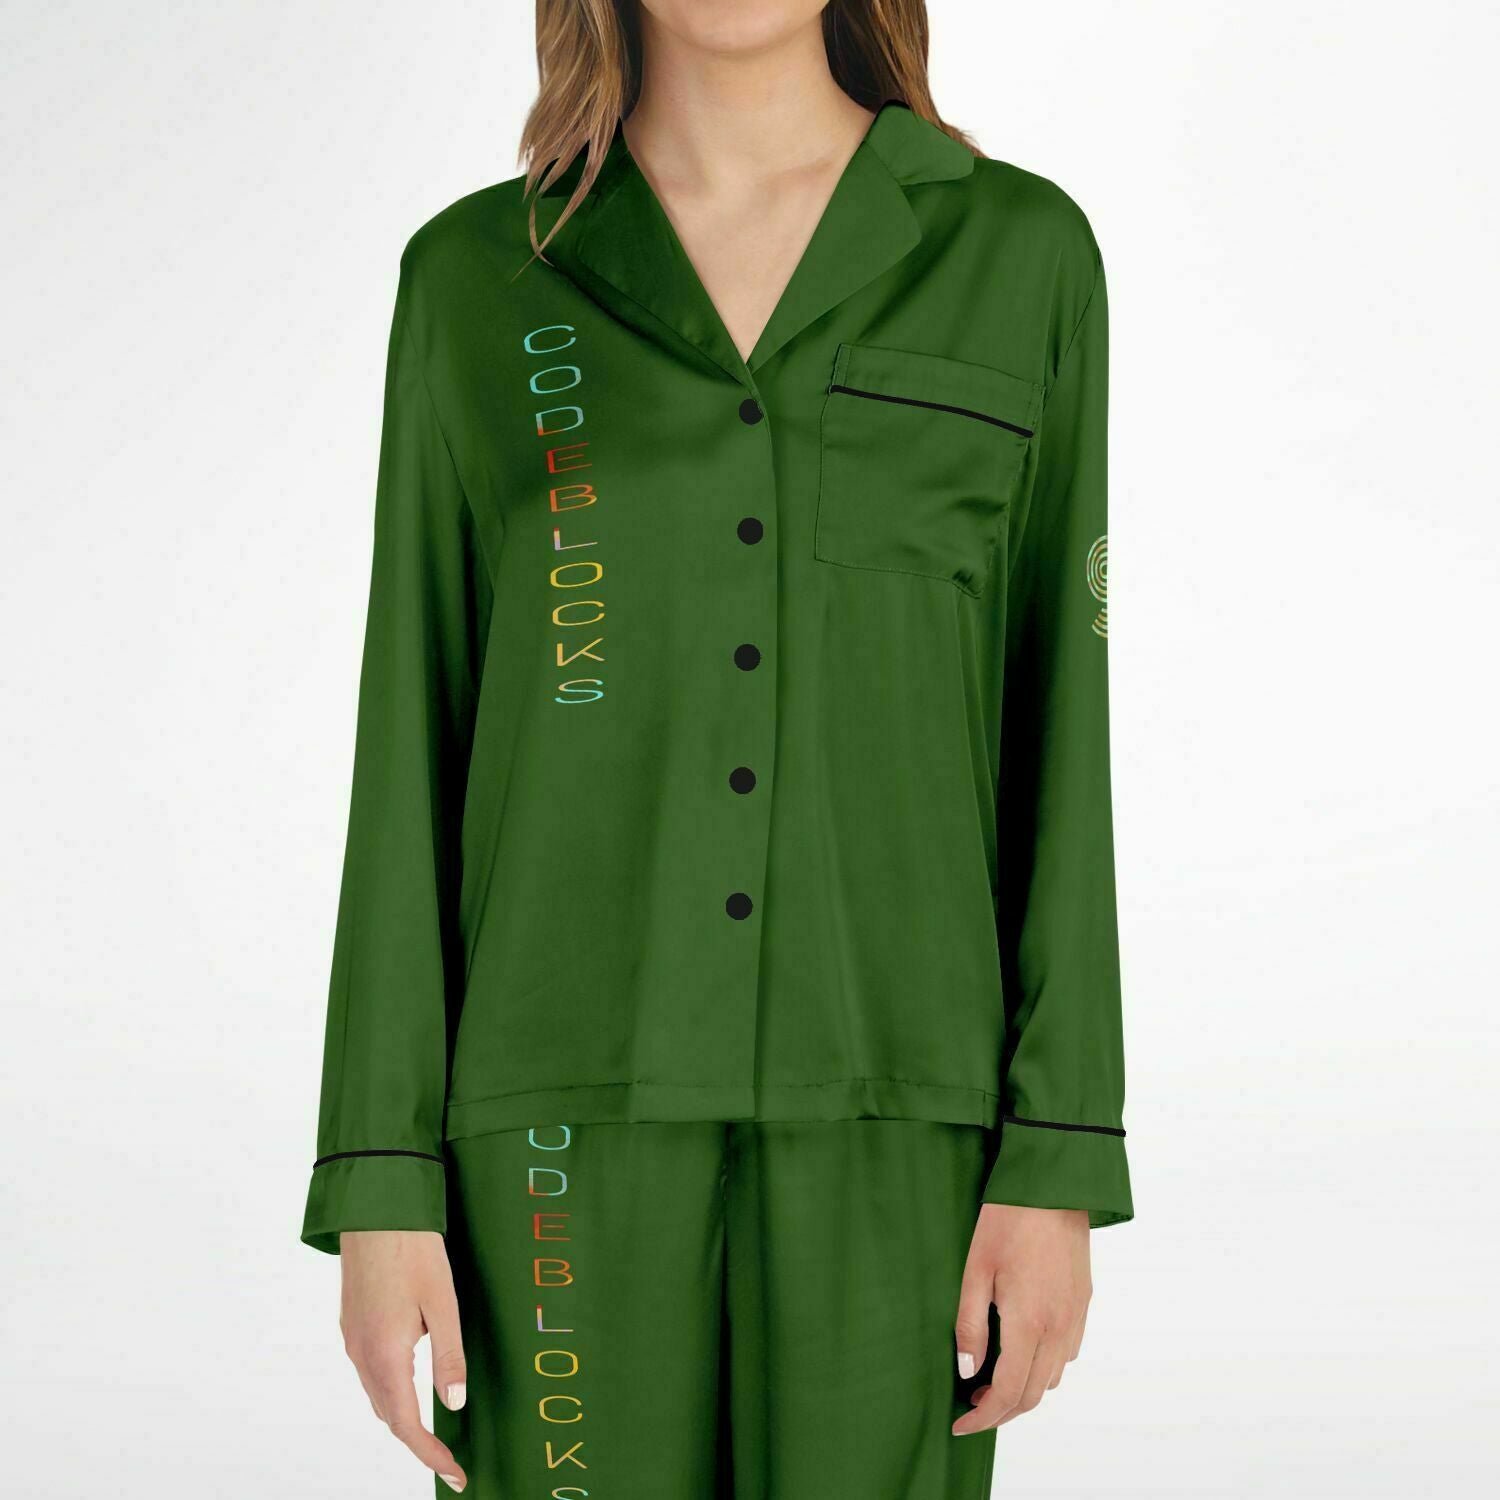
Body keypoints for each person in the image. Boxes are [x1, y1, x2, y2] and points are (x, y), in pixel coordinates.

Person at [302, 1, 1132, 1494]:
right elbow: (409, 740)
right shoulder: (478, 278)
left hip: (906, 1122)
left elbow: (1060, 736)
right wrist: (380, 1179)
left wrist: (1057, 1157)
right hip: (548, 1138)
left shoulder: (1020, 257)